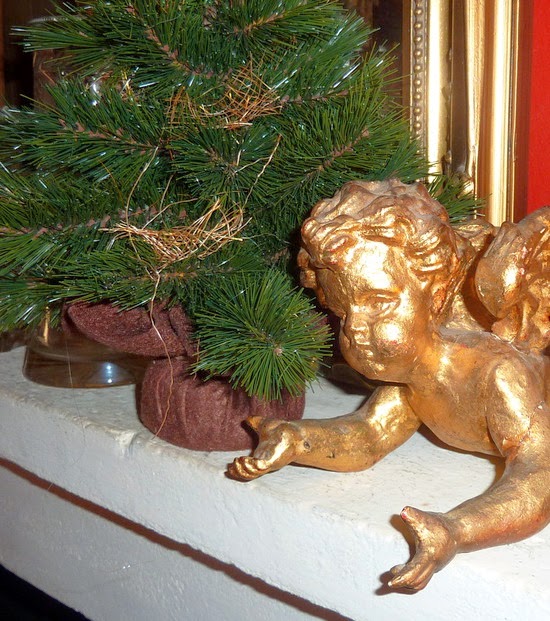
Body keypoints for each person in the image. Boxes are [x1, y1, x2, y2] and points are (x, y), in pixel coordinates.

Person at [228, 179, 550, 590]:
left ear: (436, 294)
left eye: (379, 302)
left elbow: (539, 471)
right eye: (343, 311)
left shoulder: (496, 372)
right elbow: (369, 435)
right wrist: (297, 440)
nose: (356, 329)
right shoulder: (409, 378)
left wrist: (456, 529)